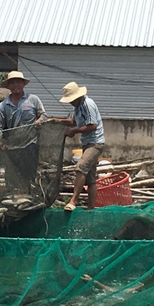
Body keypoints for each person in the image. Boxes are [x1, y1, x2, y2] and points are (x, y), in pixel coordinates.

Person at [52, 82, 104, 211]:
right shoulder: (77, 107)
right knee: (91, 179)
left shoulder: (87, 104)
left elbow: (93, 126)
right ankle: (91, 208)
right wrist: (57, 120)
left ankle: (73, 201)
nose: (70, 102)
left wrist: (74, 131)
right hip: (87, 143)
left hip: (95, 143)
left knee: (80, 167)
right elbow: (73, 121)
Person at [0, 71, 48, 193]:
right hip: (12, 146)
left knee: (29, 172)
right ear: (8, 86)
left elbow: (44, 115)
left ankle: (29, 195)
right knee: (12, 174)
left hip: (30, 144)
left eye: (18, 82)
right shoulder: (4, 105)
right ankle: (13, 195)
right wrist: (0, 141)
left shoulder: (33, 100)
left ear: (23, 84)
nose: (15, 85)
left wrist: (39, 121)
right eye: (12, 83)